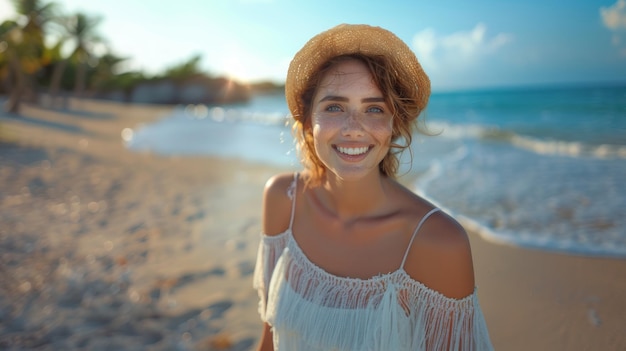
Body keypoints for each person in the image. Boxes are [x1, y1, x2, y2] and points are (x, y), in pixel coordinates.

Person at [253, 24, 493, 351]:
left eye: (374, 109)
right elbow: (269, 338)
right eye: (335, 107)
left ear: (394, 126)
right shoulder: (283, 200)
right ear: (309, 121)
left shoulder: (438, 242)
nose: (354, 128)